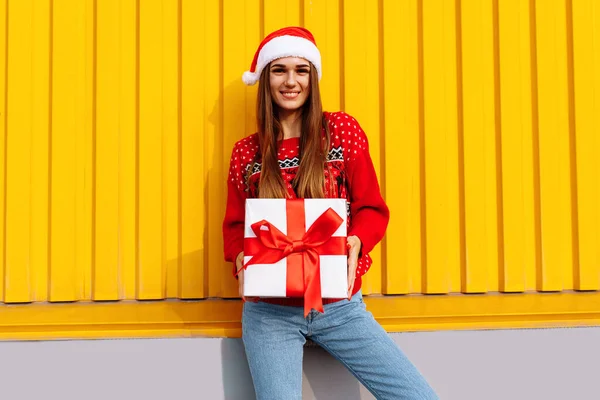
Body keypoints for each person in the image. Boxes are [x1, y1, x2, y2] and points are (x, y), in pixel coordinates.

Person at [223, 26, 438, 400]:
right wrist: (241, 258)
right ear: (265, 80)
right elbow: (235, 225)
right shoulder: (246, 154)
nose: (291, 81)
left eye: (301, 70)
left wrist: (357, 239)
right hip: (269, 314)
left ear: (313, 78)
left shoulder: (341, 132)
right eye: (279, 70)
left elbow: (371, 207)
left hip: (339, 305)